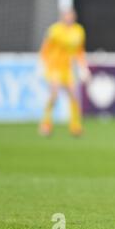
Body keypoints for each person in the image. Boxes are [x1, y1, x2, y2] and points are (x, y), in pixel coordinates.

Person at [38, 9, 90, 137]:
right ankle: (46, 124)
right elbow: (45, 49)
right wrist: (41, 64)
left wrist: (84, 67)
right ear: (62, 17)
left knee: (74, 95)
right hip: (54, 67)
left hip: (68, 69)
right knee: (54, 94)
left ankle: (75, 126)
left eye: (71, 16)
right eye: (67, 16)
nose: (69, 18)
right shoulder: (54, 30)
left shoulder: (79, 31)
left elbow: (79, 51)